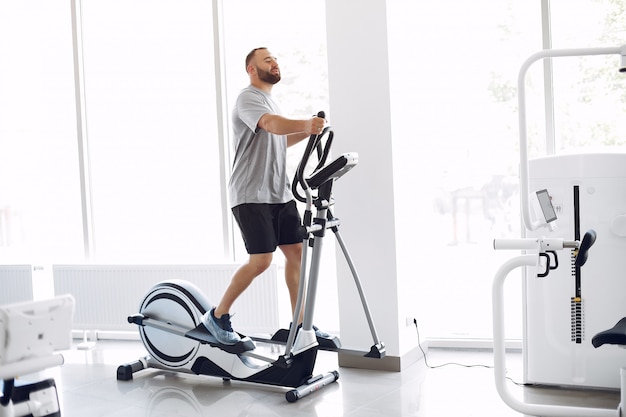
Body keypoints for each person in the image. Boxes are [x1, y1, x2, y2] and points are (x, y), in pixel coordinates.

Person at [201, 47, 326, 345]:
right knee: (261, 261)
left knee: (296, 253)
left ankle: (300, 324)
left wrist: (309, 133)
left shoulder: (270, 101)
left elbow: (279, 139)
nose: (275, 62)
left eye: (275, 59)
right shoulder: (249, 98)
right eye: (267, 59)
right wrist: (305, 124)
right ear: (252, 70)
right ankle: (218, 316)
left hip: (278, 193)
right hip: (251, 193)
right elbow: (271, 125)